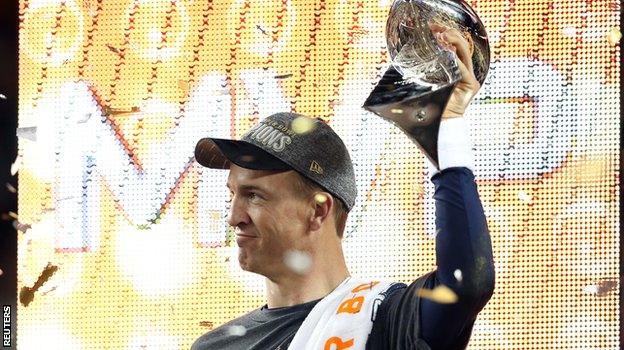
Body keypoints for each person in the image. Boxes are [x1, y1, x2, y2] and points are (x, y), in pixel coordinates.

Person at [191, 25, 494, 350]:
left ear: (318, 210)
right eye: (232, 194)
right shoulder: (213, 346)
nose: (234, 217)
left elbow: (467, 283)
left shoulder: (386, 320)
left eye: (254, 195)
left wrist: (445, 125)